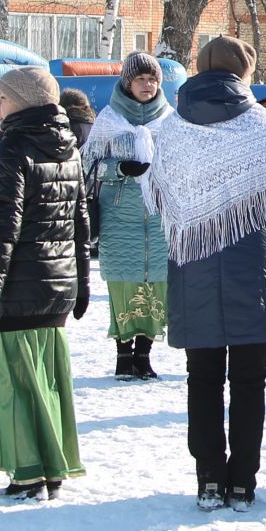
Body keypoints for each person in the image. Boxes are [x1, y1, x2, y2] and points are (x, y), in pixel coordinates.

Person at [146, 36, 266, 512]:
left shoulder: (173, 126)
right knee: (249, 379)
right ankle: (243, 482)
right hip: (253, 264)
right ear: (244, 70)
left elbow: (157, 196)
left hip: (193, 261)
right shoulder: (264, 121)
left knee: (202, 378)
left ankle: (208, 479)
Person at [0, 67, 91, 498]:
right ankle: (53, 464)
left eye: (1, 98)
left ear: (21, 101)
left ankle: (27, 470)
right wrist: (79, 281)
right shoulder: (69, 147)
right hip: (57, 286)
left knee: (12, 382)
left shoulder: (14, 148)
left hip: (18, 284)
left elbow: (2, 229)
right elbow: (81, 223)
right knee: (44, 379)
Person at [84, 52, 174, 381]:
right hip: (119, 213)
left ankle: (144, 354)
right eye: (140, 79)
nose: (147, 85)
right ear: (127, 83)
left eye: (152, 79)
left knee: (157, 285)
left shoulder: (169, 119)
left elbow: (181, 164)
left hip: (159, 215)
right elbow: (88, 165)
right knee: (124, 284)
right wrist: (118, 168)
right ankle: (123, 355)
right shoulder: (109, 119)